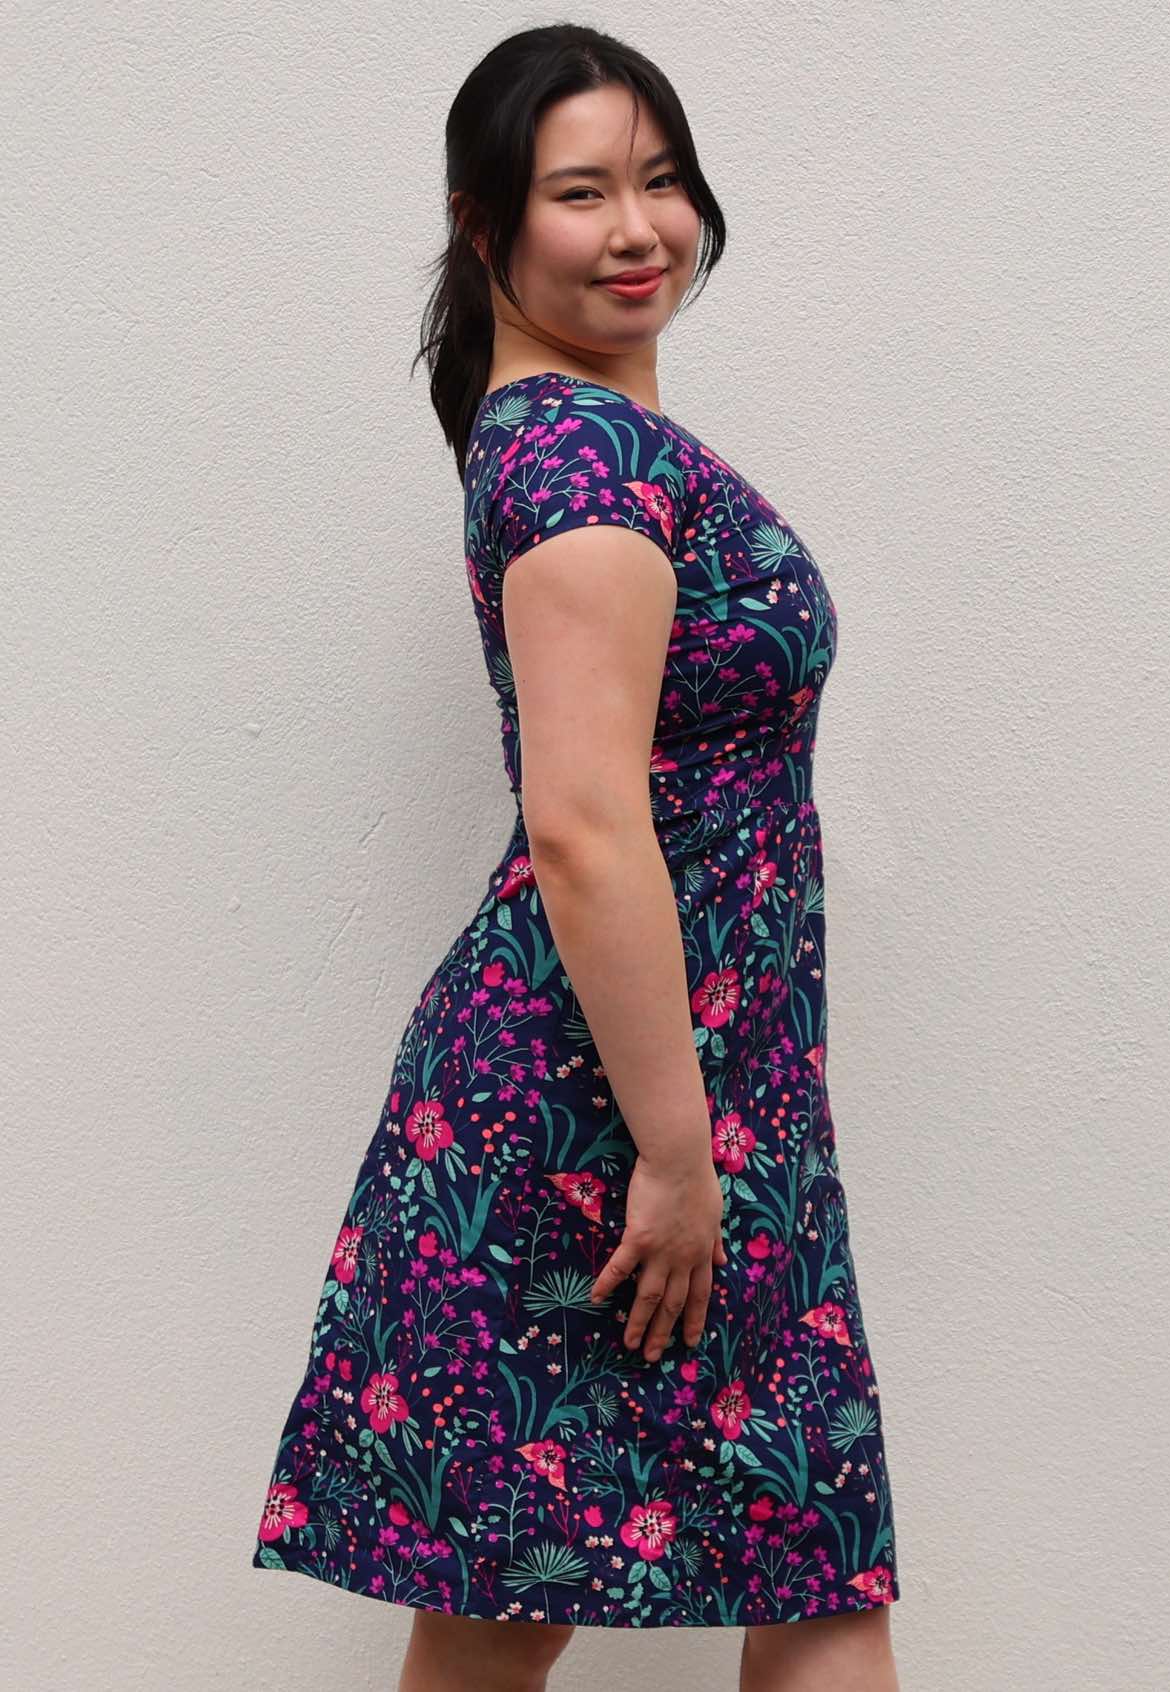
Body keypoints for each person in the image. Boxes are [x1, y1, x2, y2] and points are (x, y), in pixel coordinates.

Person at [252, 22, 903, 1692]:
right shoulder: (582, 461)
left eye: (661, 178)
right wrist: (679, 1153)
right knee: (716, 1563)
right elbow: (584, 823)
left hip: (678, 1078)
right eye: (582, 191)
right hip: (611, 1101)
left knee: (682, 1565)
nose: (640, 227)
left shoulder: (578, 444)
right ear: (487, 230)